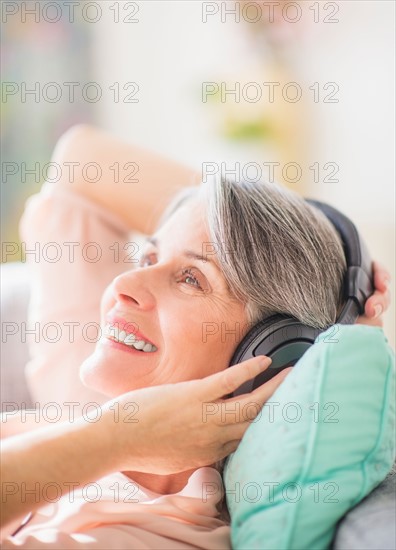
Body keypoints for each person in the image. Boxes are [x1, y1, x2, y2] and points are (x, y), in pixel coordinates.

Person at [1, 125, 391, 549]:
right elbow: (83, 166)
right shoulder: (93, 407)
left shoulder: (146, 537)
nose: (126, 282)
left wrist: (116, 439)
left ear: (271, 352)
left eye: (191, 278)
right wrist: (344, 256)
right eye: (148, 256)